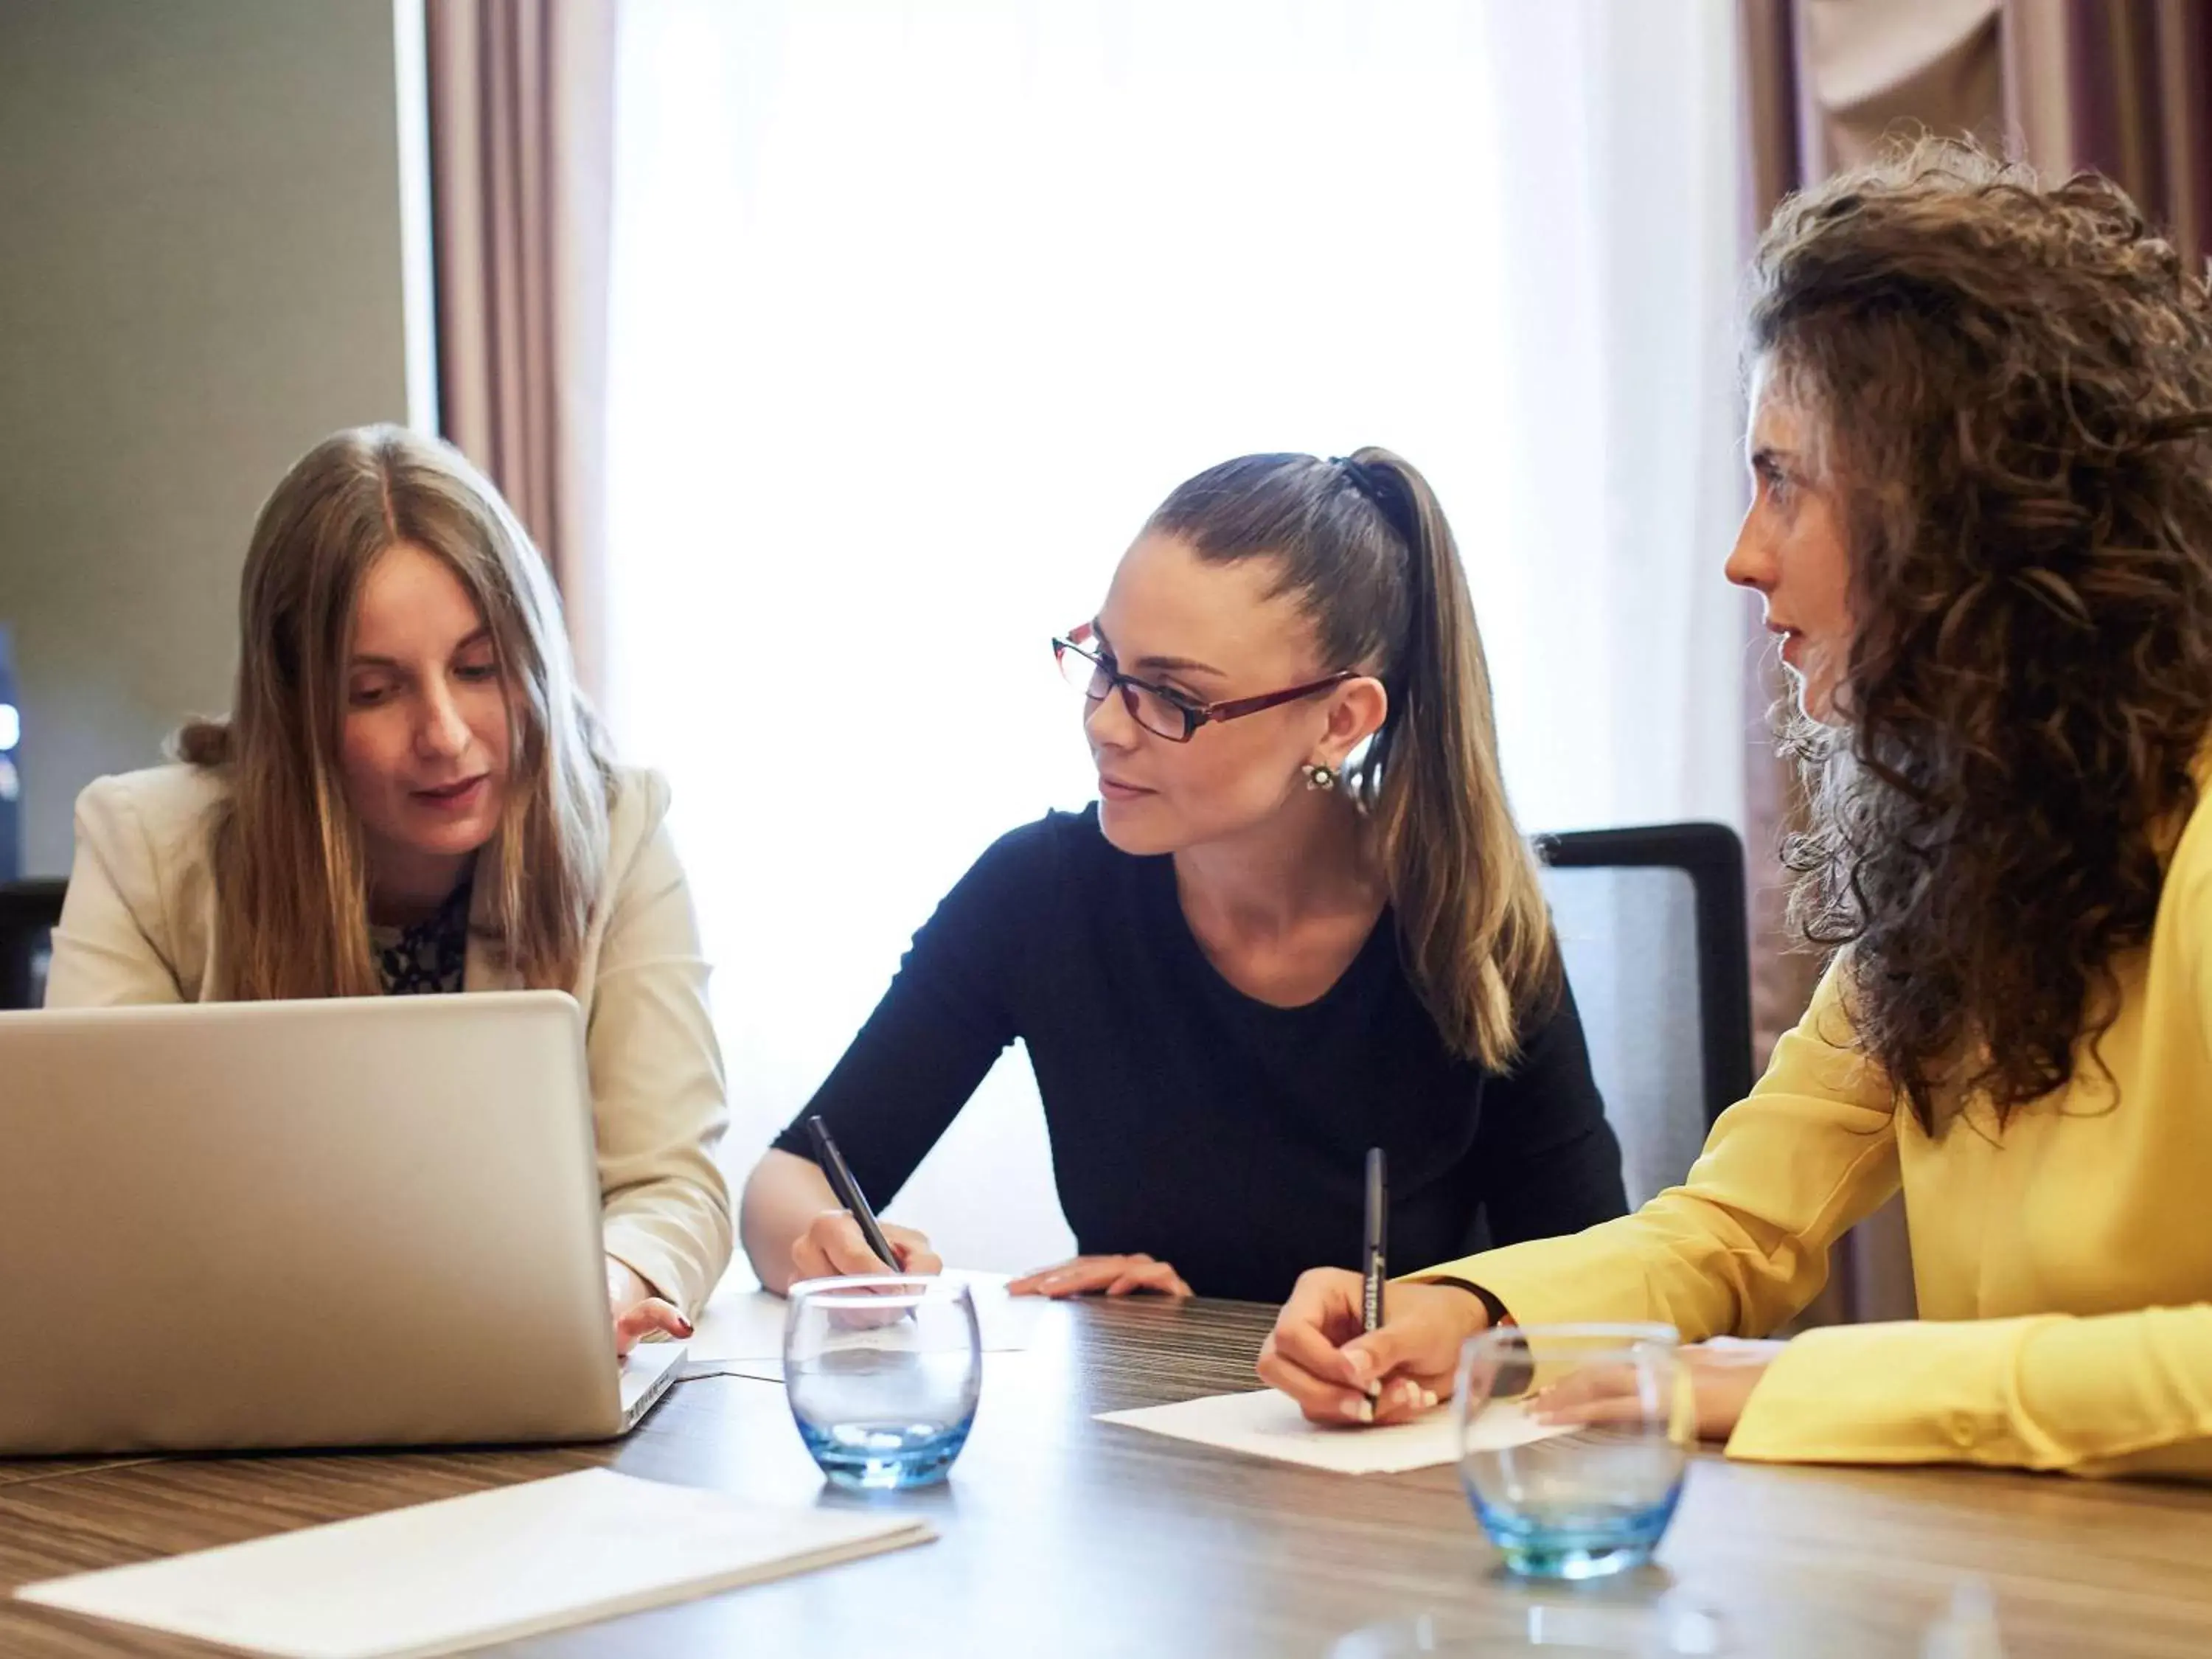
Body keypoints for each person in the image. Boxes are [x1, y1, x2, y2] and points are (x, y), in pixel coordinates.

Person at [1260, 140, 2212, 1478]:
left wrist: (1804, 1386)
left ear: (1964, 510)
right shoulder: (1959, 853)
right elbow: (1732, 1230)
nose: (1742, 554)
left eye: (1784, 481)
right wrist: (1469, 1313)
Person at [740, 447, 1626, 1310]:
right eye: (1106, 663)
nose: (1107, 726)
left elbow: (1599, 1293)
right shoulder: (1039, 893)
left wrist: (1435, 1317)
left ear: (1340, 720)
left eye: (1173, 697)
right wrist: (828, 1243)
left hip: (1391, 1444)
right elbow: (792, 1177)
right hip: (1142, 1441)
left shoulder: (1470, 927)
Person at [46, 425, 732, 1352]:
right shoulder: (141, 847)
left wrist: (600, 1290)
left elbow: (671, 1184)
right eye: (375, 691)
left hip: (530, 1359)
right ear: (297, 712)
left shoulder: (619, 828)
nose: (444, 733)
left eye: (479, 669)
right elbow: (94, 1201)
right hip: (243, 1370)